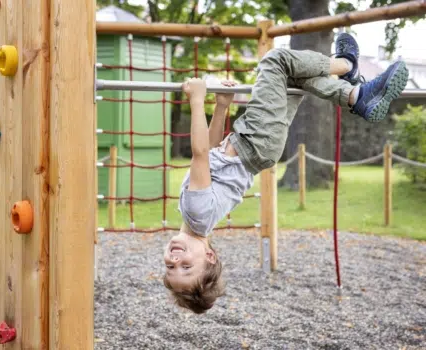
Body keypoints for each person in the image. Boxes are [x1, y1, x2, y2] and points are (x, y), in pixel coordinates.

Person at [162, 33, 409, 314]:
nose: (175, 259)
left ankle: (355, 96)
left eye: (171, 266)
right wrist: (196, 99)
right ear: (208, 255)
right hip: (253, 141)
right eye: (186, 266)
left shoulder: (198, 221)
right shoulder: (196, 213)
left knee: (295, 77)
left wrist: (220, 108)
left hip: (259, 147)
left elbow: (210, 154)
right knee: (276, 60)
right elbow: (199, 153)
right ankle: (346, 65)